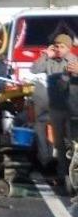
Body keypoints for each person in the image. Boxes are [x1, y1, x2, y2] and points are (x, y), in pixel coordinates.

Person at [31, 33, 78, 185]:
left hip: (71, 108)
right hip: (55, 107)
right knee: (59, 143)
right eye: (56, 46)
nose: (58, 49)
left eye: (62, 46)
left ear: (68, 48)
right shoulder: (50, 61)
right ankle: (62, 174)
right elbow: (34, 69)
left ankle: (73, 175)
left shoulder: (73, 62)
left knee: (71, 143)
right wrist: (45, 55)